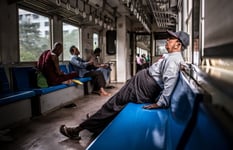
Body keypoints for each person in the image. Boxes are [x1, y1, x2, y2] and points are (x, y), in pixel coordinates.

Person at [59, 30, 190, 140]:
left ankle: (77, 130)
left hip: (143, 86)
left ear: (178, 45)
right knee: (115, 103)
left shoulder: (174, 61)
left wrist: (161, 103)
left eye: (170, 39)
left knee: (113, 104)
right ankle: (96, 122)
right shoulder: (172, 57)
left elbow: (170, 83)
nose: (167, 40)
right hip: (142, 83)